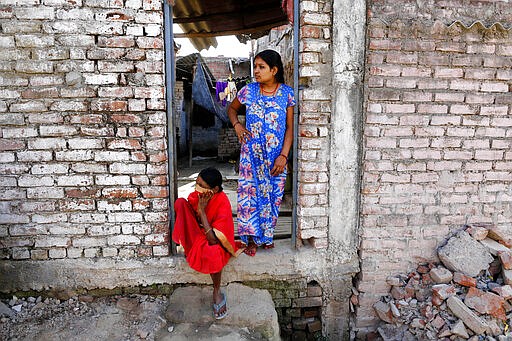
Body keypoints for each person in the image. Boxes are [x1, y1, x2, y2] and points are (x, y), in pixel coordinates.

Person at [227, 49, 295, 256]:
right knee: (250, 197)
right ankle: (250, 240)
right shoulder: (248, 91)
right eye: (255, 67)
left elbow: (290, 128)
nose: (256, 71)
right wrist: (237, 125)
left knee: (272, 196)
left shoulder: (287, 94)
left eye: (261, 67)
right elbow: (231, 109)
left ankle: (266, 237)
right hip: (251, 155)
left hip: (276, 157)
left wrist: (284, 156)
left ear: (274, 70)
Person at [172, 167, 241, 319]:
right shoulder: (199, 195)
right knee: (180, 203)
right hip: (200, 232)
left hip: (213, 239)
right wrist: (197, 211)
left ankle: (216, 291)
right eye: (197, 183)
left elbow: (214, 240)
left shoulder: (222, 202)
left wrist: (202, 211)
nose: (198, 188)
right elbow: (189, 210)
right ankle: (189, 245)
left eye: (202, 186)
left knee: (213, 251)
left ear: (215, 189)